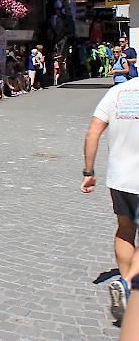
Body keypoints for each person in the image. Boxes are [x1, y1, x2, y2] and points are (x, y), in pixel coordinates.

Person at [81, 75, 139, 322]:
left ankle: (129, 297)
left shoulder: (118, 93)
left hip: (119, 179)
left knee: (125, 231)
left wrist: (88, 172)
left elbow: (92, 133)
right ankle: (127, 285)